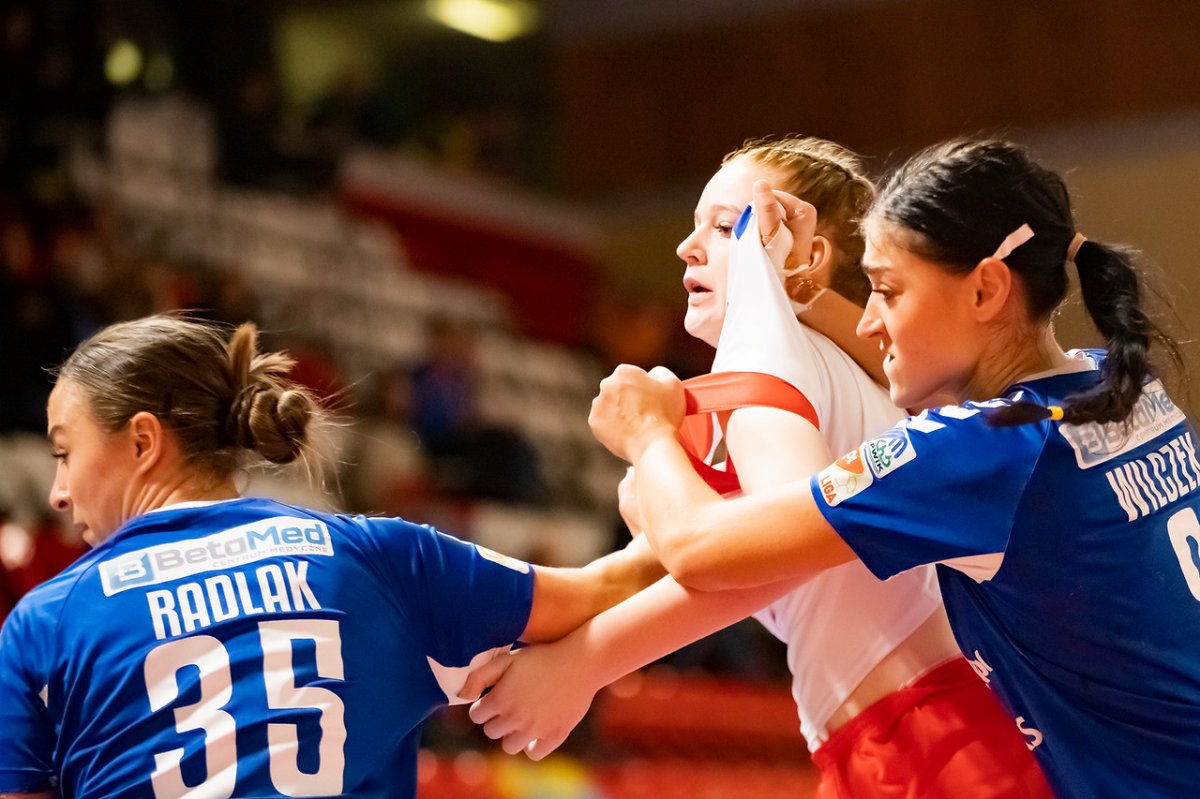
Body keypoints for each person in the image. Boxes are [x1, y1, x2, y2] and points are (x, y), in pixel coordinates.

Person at [569, 138, 1198, 798]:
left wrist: (648, 435)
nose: (868, 321)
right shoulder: (1119, 385)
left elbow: (702, 549)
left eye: (887, 292)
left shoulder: (976, 455)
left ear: (986, 289)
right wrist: (801, 290)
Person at [468, 137, 1050, 797]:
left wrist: (584, 661)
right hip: (947, 726)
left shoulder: (771, 348)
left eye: (724, 228)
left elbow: (790, 551)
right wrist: (513, 634)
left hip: (932, 738)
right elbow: (627, 578)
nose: (687, 248)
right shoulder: (861, 371)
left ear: (804, 253)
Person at [0, 315, 662, 799]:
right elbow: (626, 583)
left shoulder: (44, 623)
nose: (58, 491)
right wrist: (663, 455)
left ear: (143, 441)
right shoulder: (375, 557)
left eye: (64, 451)